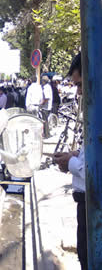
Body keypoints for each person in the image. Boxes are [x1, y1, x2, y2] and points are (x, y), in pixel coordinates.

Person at [53, 53, 86, 270]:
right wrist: (75, 155)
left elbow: (93, 169)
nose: (79, 92)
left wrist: (71, 163)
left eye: (81, 85)